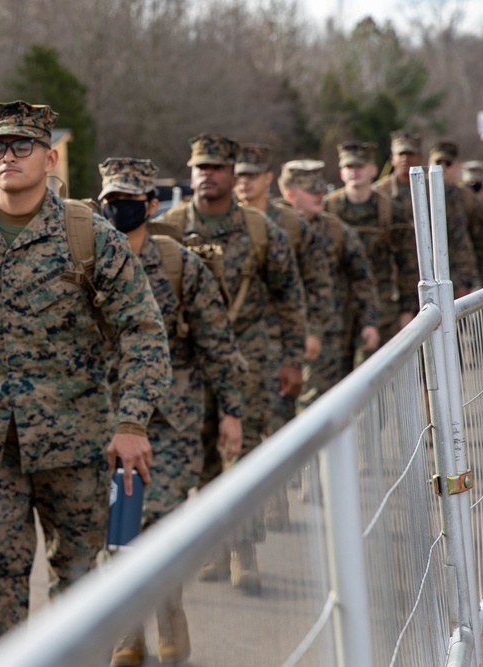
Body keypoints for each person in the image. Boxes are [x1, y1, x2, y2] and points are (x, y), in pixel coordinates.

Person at [0, 102, 171, 663]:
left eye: (21, 146)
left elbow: (143, 332)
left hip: (78, 448)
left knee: (82, 590)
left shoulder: (90, 235)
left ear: (50, 156)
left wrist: (132, 422)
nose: (6, 157)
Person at [97, 157, 246, 667]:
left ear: (152, 205)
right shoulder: (88, 262)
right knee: (119, 529)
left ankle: (169, 611)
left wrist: (231, 411)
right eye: (110, 202)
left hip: (174, 421)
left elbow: (218, 345)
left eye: (129, 202)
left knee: (157, 525)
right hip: (109, 419)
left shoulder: (181, 264)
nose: (119, 210)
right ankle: (129, 632)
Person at [164, 133, 306, 593]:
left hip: (250, 361)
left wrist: (291, 358)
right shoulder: (171, 229)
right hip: (191, 366)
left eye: (216, 168)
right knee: (204, 462)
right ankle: (217, 548)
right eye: (199, 168)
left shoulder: (261, 230)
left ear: (231, 174)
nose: (207, 176)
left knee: (243, 459)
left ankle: (245, 552)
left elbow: (289, 296)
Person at [233, 142, 334, 530]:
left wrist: (311, 333)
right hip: (235, 345)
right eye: (239, 175)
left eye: (252, 176)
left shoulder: (290, 224)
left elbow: (316, 282)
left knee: (275, 427)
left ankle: (275, 501)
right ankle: (243, 521)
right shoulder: (228, 221)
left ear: (268, 179)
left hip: (278, 344)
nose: (245, 183)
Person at [279, 160, 379, 410]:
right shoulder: (271, 228)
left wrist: (368, 321)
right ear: (289, 194)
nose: (320, 196)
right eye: (311, 191)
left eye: (321, 190)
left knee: (322, 406)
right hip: (280, 335)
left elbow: (361, 278)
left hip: (329, 338)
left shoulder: (336, 230)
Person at [325, 141, 418, 364]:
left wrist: (407, 309)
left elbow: (407, 263)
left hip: (382, 306)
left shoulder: (390, 211)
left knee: (381, 375)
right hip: (337, 307)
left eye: (359, 166)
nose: (354, 172)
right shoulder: (328, 209)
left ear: (372, 170)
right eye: (349, 167)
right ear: (341, 172)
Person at [374, 131, 478, 297]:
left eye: (411, 154)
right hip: (394, 285)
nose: (405, 159)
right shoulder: (379, 194)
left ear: (420, 157)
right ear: (392, 158)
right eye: (401, 154)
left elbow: (458, 238)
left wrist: (463, 280)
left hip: (437, 279)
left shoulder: (438, 191)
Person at [430, 141, 483, 288]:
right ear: (429, 163)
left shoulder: (466, 197)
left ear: (456, 166)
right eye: (437, 162)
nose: (442, 168)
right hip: (427, 278)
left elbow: (481, 241)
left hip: (460, 280)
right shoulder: (420, 196)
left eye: (447, 163)